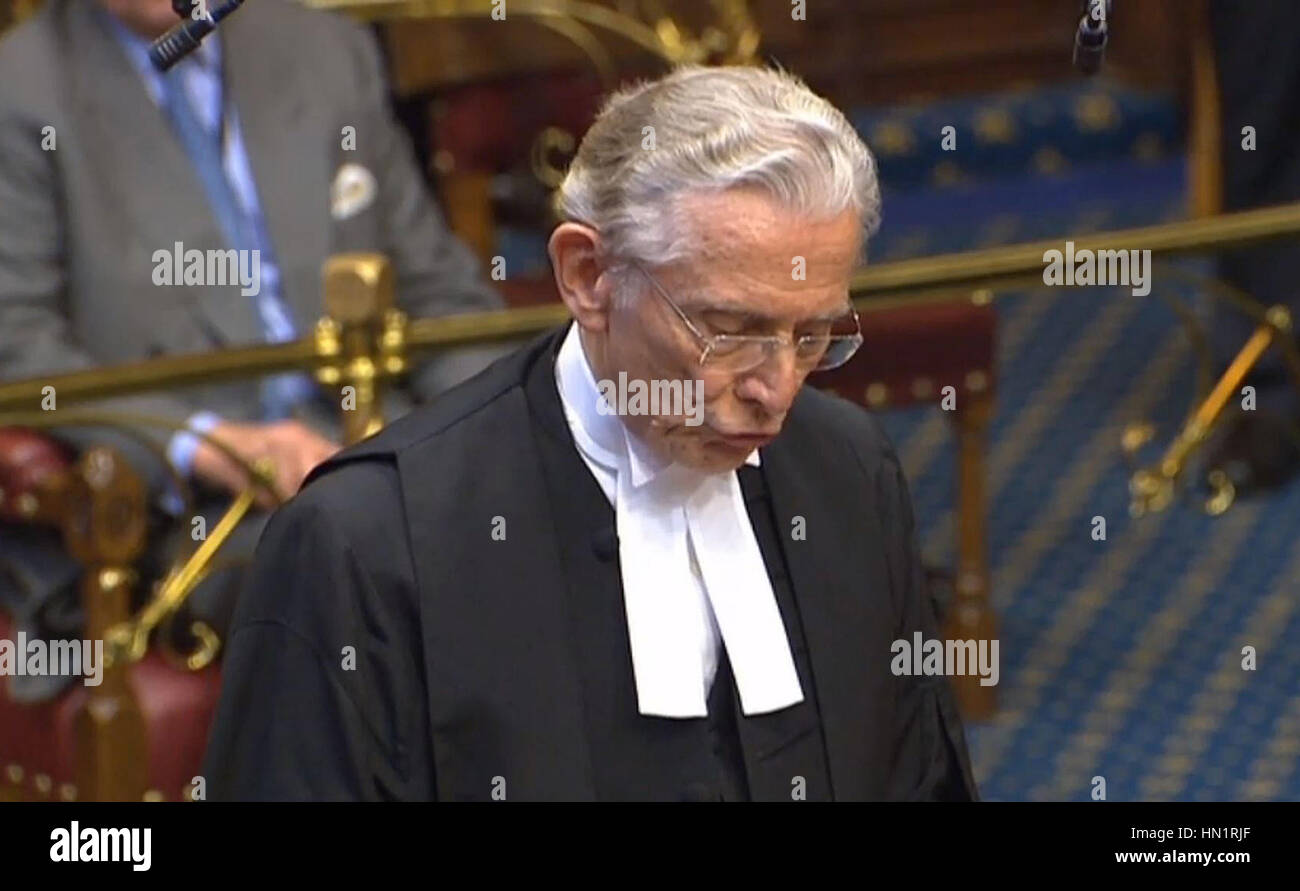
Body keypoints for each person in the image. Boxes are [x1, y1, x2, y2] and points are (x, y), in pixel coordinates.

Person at [203, 64, 980, 801]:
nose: (774, 392)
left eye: (812, 337)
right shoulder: (367, 545)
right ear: (588, 276)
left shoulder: (847, 467)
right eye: (728, 329)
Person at [0, 0, 508, 701]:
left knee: (537, 523)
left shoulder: (327, 51)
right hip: (194, 511)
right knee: (364, 567)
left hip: (383, 446)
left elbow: (440, 292)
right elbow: (19, 345)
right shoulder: (22, 89)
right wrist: (217, 444)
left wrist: (499, 430)